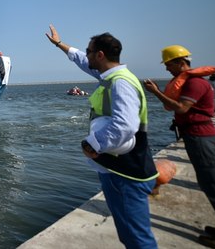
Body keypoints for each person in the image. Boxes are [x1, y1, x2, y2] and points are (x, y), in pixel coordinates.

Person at [46, 25, 158, 249]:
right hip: (116, 167)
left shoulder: (120, 82)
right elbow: (78, 58)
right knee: (128, 235)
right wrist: (60, 44)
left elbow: (125, 125)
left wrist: (92, 144)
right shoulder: (111, 76)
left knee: (137, 237)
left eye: (89, 52)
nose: (86, 56)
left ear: (100, 55)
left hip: (126, 173)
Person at [143, 45, 215, 249]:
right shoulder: (192, 82)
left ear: (180, 62)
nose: (167, 69)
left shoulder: (194, 83)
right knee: (210, 183)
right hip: (197, 137)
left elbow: (181, 107)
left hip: (202, 138)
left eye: (169, 65)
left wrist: (156, 92)